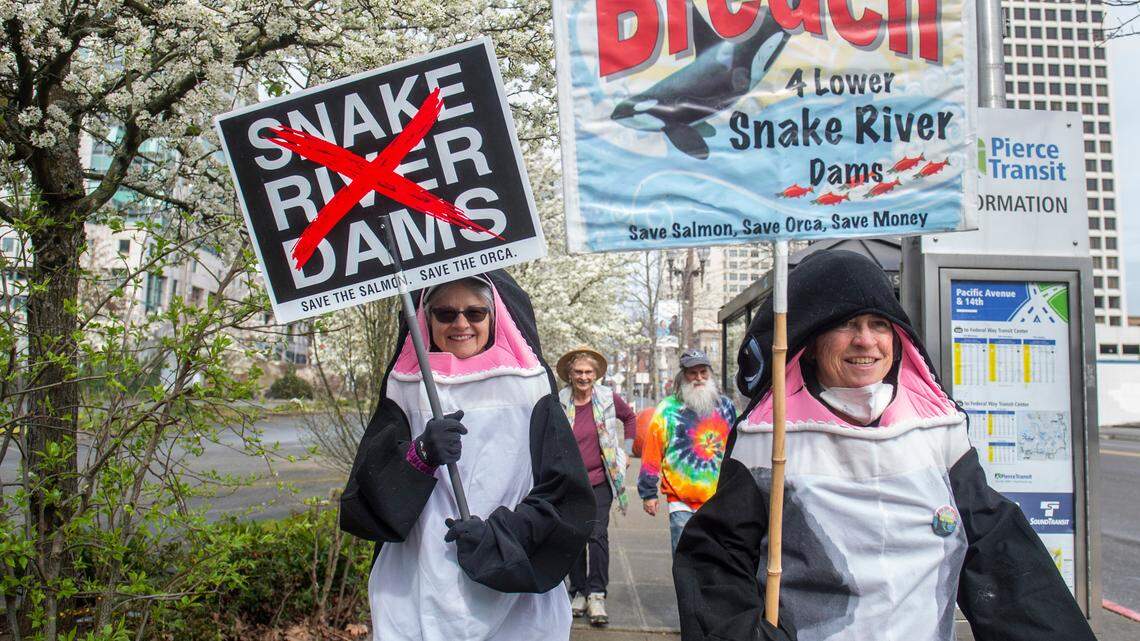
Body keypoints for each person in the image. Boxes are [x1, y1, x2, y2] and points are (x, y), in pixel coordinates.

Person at [673, 250, 1096, 641]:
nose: (866, 340)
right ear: (812, 343)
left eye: (879, 324)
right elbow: (715, 559)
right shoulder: (768, 439)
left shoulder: (937, 431)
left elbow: (1001, 557)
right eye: (845, 324)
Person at [340, 272, 595, 641]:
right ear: (426, 317)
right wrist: (419, 456)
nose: (461, 323)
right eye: (445, 313)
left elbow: (566, 498)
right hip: (417, 590)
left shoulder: (529, 387)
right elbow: (366, 501)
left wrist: (498, 538)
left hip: (513, 601)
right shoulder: (405, 389)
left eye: (475, 313)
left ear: (493, 316)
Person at [556, 346, 637, 625]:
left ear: (596, 374)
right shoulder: (560, 400)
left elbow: (629, 417)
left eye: (588, 372)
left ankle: (597, 592)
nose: (583, 376)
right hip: (570, 481)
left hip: (600, 479)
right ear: (570, 373)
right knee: (575, 535)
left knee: (597, 534)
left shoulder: (606, 398)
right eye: (578, 372)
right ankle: (578, 589)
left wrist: (626, 451)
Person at [638, 348, 736, 553]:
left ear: (710, 374)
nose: (698, 378)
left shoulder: (725, 407)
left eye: (703, 372)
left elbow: (735, 450)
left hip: (718, 500)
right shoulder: (667, 409)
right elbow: (652, 452)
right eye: (693, 373)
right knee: (685, 561)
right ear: (683, 376)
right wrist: (648, 493)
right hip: (680, 502)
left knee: (714, 562)